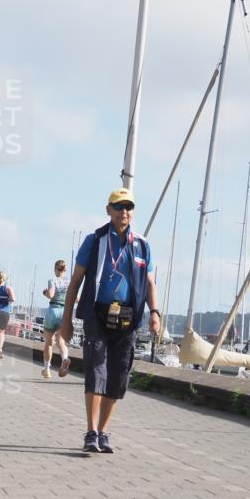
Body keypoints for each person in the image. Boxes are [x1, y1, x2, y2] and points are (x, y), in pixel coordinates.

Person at [60, 188, 161, 454]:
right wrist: (66, 319)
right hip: (97, 314)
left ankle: (103, 431)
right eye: (118, 207)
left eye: (128, 207)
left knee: (117, 378)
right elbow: (75, 282)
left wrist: (154, 312)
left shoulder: (141, 245)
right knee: (96, 372)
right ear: (109, 210)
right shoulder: (95, 240)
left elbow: (150, 282)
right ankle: (91, 431)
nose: (123, 212)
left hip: (128, 319)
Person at [41, 259, 71, 379]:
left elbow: (51, 295)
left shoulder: (52, 280)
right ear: (65, 270)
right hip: (64, 312)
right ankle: (65, 359)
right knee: (61, 341)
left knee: (49, 343)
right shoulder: (69, 282)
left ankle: (47, 369)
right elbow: (77, 298)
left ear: (55, 269)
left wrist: (45, 292)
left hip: (53, 311)